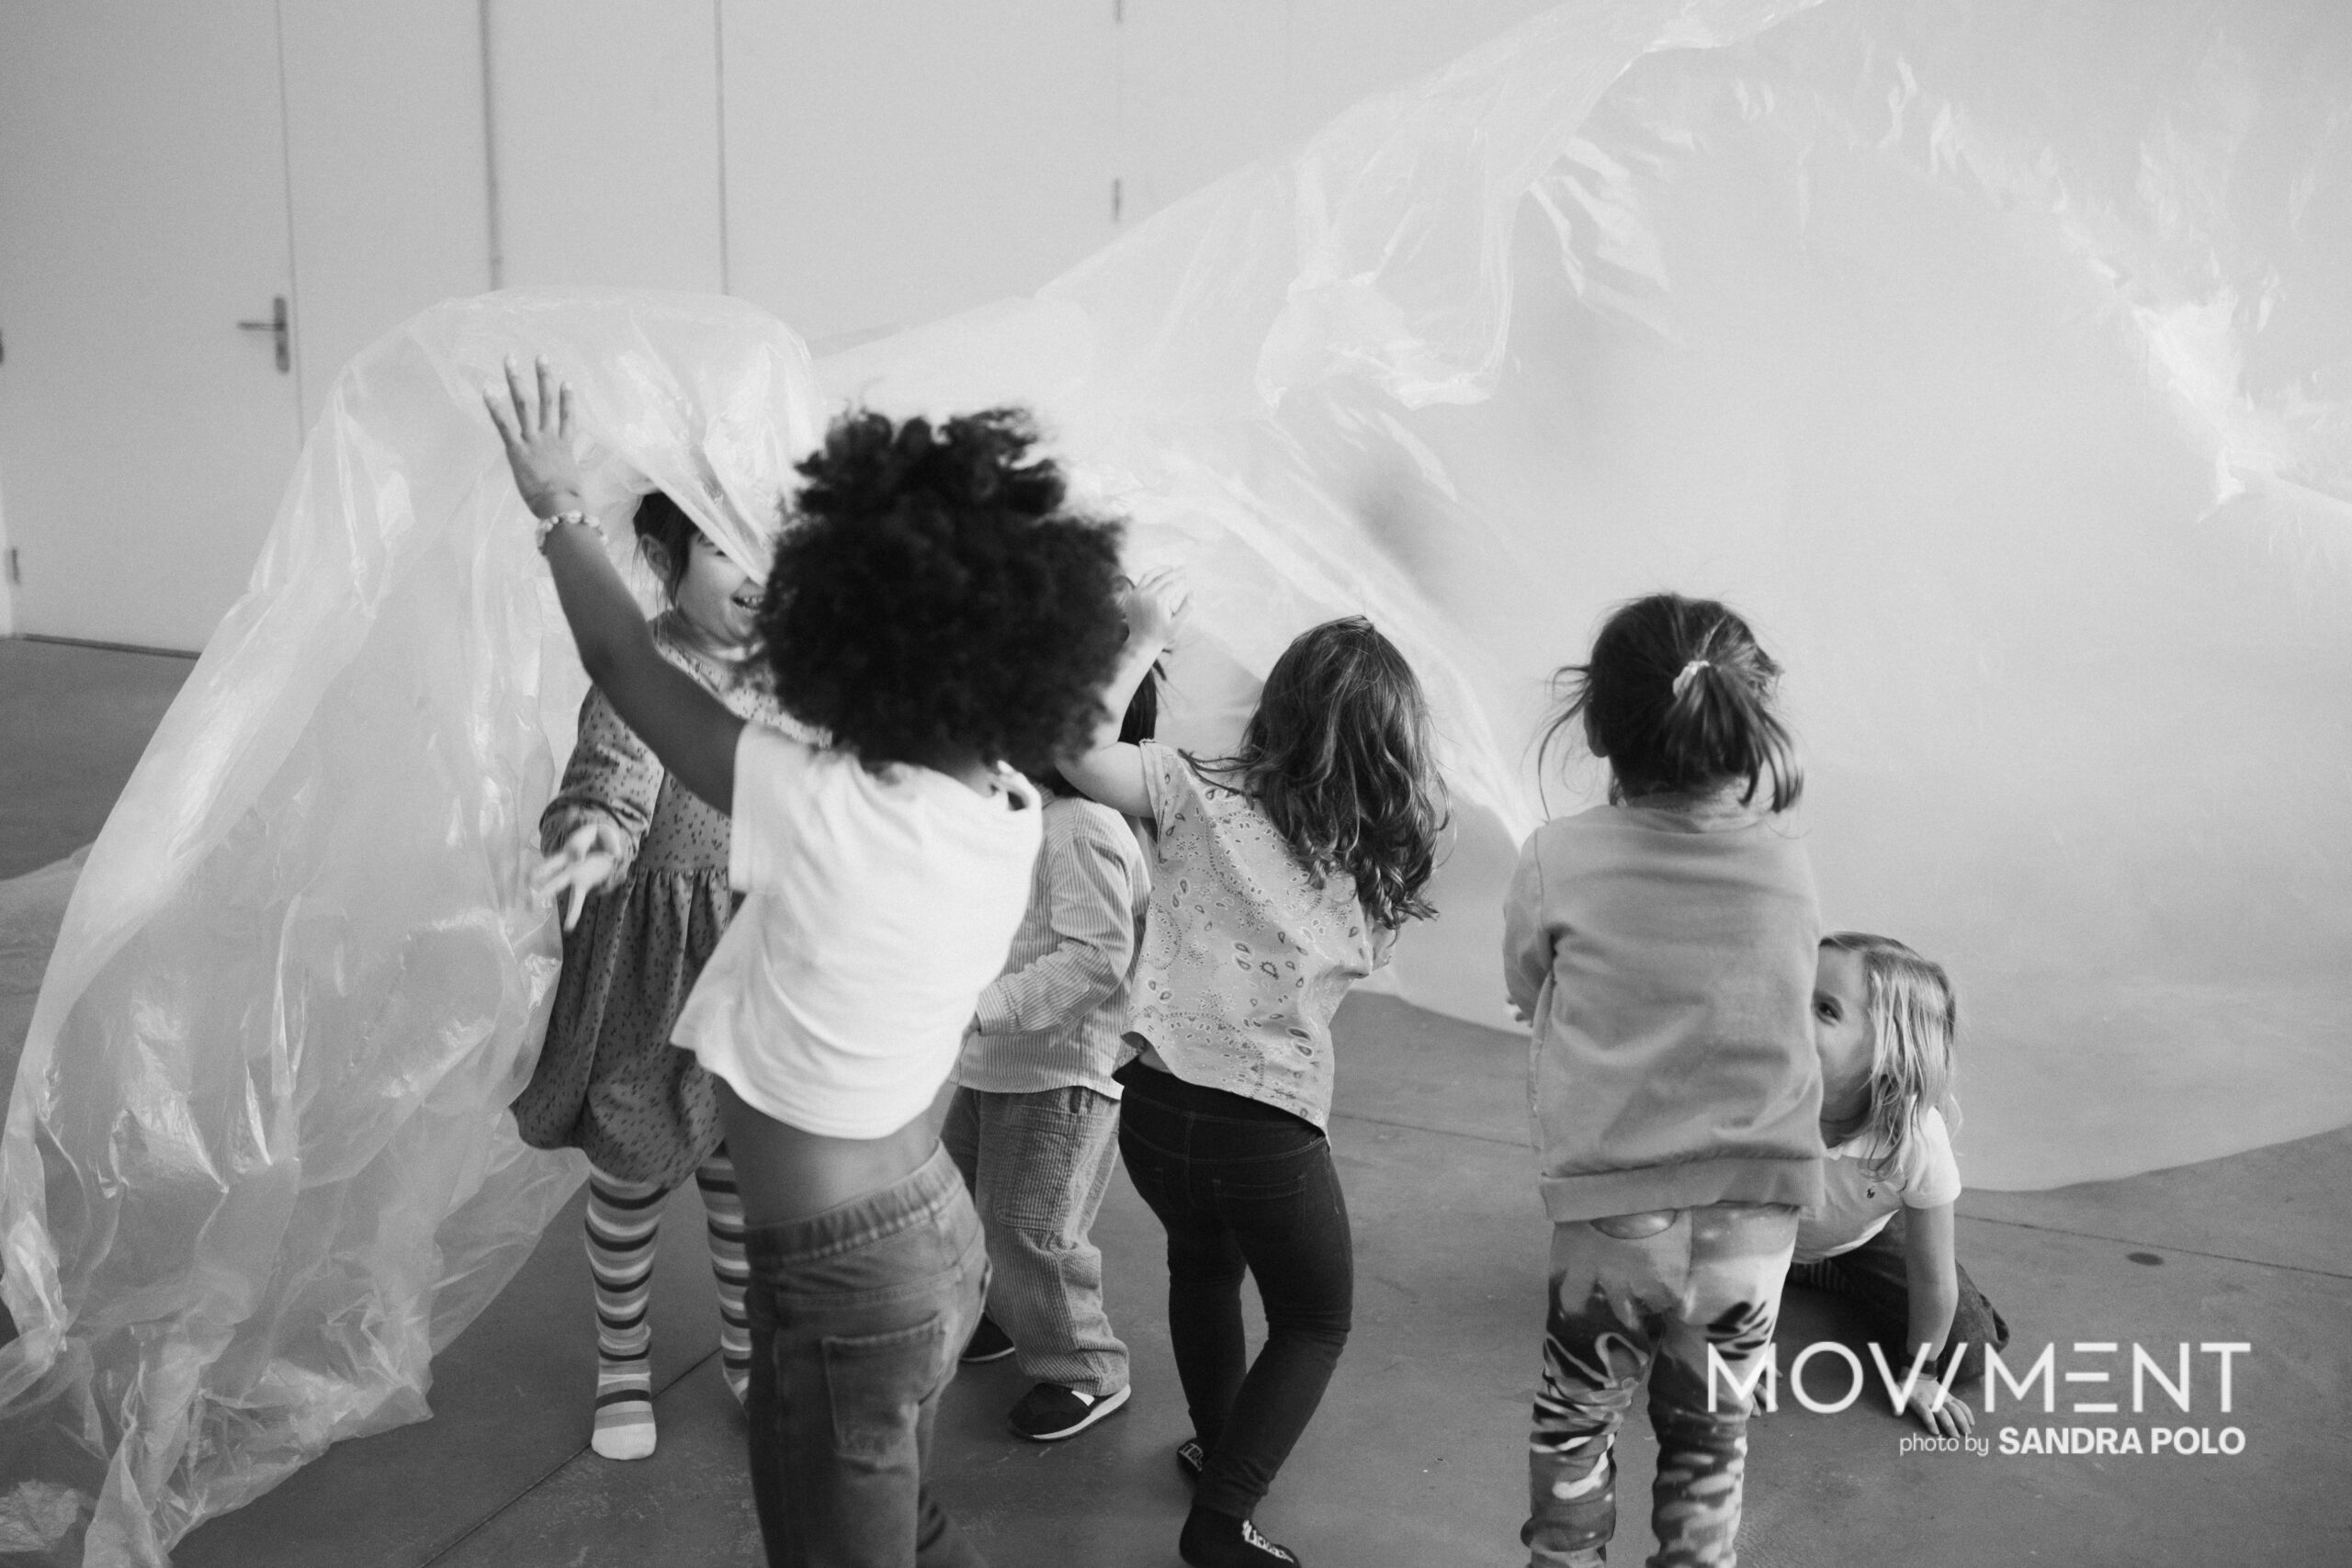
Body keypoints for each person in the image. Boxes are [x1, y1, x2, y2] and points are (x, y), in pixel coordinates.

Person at [487, 359, 1127, 1568]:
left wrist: (560, 507)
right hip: (919, 1236)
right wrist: (1134, 635)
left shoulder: (827, 806)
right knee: (897, 1519)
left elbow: (624, 663)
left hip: (845, 1276)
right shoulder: (1001, 804)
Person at [1059, 585, 1448, 1568]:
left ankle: (1216, 1444)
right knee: (1314, 1318)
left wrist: (1142, 636)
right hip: (1265, 1131)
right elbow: (1369, 955)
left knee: (1201, 1266)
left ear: (1274, 711)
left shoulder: (1190, 792)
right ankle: (1220, 1519)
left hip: (1152, 1110)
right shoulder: (1371, 863)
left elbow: (1075, 750)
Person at [1502, 592, 1823, 1568]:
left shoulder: (1557, 856)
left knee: (1576, 1419)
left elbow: (1526, 985)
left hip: (1614, 1208)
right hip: (1756, 1212)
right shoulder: (1787, 864)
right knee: (1711, 1434)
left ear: (1598, 727)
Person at [515, 487, 819, 1461]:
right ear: (661, 555)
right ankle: (621, 1365)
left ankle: (748, 1356)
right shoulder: (645, 674)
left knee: (742, 1182)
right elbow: (613, 775)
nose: (758, 572)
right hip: (652, 975)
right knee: (631, 1179)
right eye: (726, 548)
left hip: (757, 965)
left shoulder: (800, 675)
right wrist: (593, 837)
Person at [942, 672, 1159, 1442]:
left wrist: (983, 1006)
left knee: (1027, 1226)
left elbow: (1097, 956)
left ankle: (1085, 1366)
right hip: (999, 1062)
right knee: (963, 1202)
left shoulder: (1083, 827)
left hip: (1060, 1073)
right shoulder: (1030, 815)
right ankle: (1007, 1312)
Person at [1785, 931, 2010, 1437]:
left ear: (1889, 1054)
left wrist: (1920, 1373)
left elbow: (1932, 1275)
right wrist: (1732, 1353)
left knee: (1967, 1348)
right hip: (1747, 1233)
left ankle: (1824, 1268)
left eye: (1825, 1009)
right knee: (1656, 1300)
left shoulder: (1915, 1135)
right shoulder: (1758, 1097)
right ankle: (1804, 1269)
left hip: (1857, 1237)